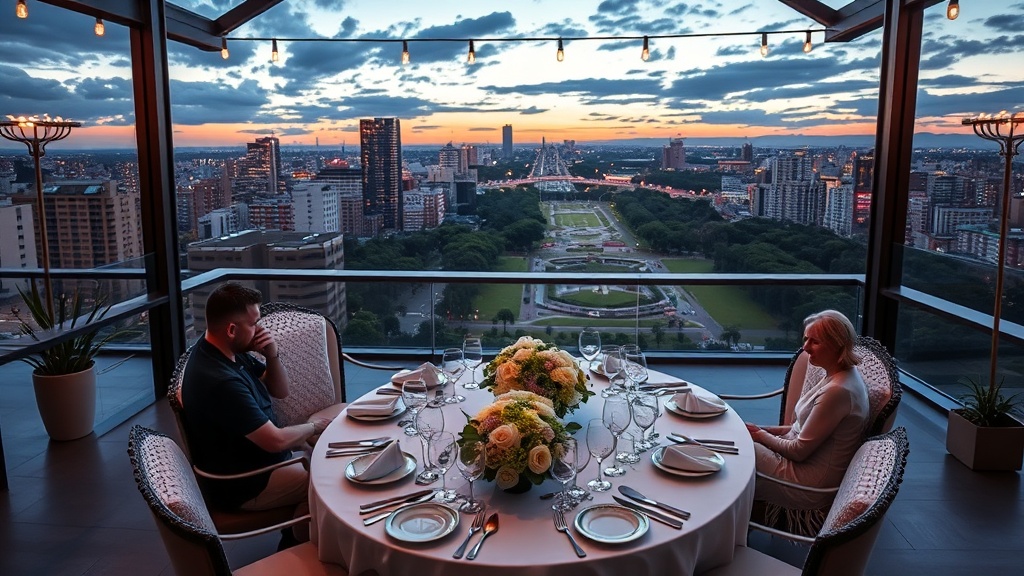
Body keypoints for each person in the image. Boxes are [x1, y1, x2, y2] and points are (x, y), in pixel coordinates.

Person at [181, 282, 331, 540]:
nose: (260, 330)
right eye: (254, 323)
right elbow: (274, 441)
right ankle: (305, 540)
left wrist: (272, 354)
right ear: (231, 329)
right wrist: (315, 427)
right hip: (248, 482)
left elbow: (280, 390)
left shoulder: (224, 351)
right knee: (332, 481)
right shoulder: (220, 381)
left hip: (262, 462)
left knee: (331, 458)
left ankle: (299, 536)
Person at [746, 310, 870, 519]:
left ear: (838, 344)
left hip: (807, 484)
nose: (805, 347)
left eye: (815, 342)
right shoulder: (835, 374)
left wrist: (759, 436)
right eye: (806, 339)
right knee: (737, 443)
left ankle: (723, 522)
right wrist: (763, 430)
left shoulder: (839, 391)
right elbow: (799, 429)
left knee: (738, 450)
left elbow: (799, 450)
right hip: (801, 464)